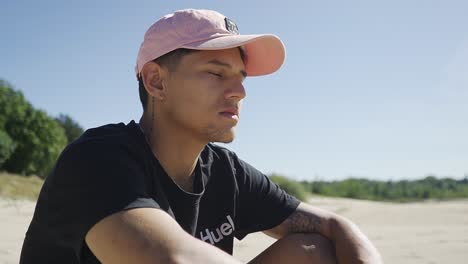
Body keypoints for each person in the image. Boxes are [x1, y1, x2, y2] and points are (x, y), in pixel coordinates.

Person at [20, 9, 382, 264]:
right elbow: (171, 259)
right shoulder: (97, 159)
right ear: (156, 81)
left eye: (241, 77)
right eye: (216, 73)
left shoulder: (226, 172)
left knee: (314, 252)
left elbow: (335, 226)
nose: (239, 91)